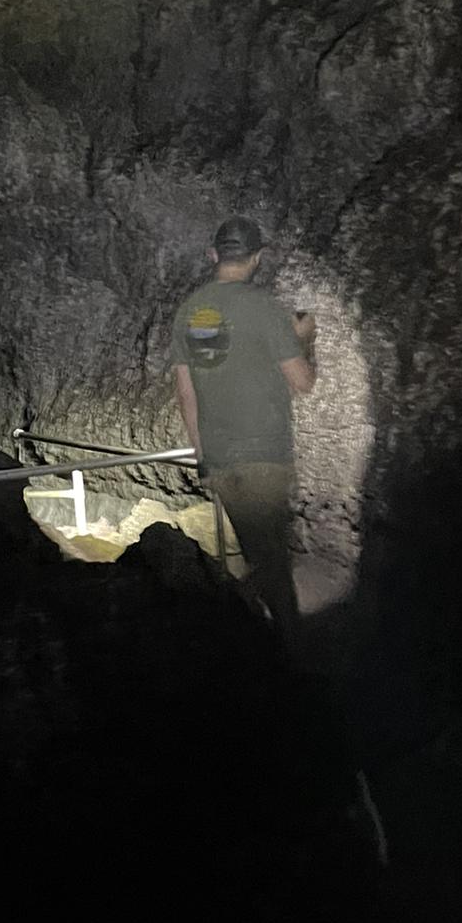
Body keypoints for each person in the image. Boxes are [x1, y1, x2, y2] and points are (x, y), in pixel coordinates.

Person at [170, 217, 316, 642]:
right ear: (257, 258)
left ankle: (258, 635)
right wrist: (304, 338)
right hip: (265, 457)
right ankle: (286, 652)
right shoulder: (265, 308)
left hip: (220, 458)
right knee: (273, 563)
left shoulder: (189, 312)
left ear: (213, 255)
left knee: (258, 554)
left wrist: (203, 459)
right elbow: (303, 382)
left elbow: (186, 394)